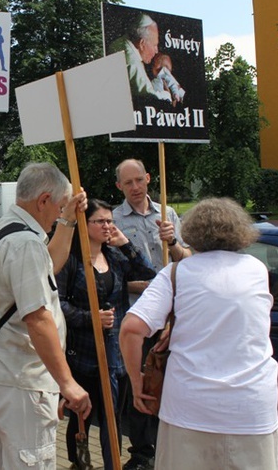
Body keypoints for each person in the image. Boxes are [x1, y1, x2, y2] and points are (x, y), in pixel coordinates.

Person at [119, 198, 278, 469]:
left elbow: (131, 329)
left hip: (188, 408)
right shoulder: (257, 269)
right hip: (252, 408)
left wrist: (137, 382)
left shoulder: (177, 273)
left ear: (191, 232)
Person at [0, 162, 91, 469]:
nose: (58, 213)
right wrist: (67, 383)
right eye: (59, 206)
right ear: (43, 200)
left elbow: (48, 265)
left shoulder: (5, 229)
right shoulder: (25, 244)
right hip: (21, 381)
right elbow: (37, 319)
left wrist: (67, 220)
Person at [56, 199, 156, 470]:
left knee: (112, 417)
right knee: (82, 418)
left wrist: (124, 242)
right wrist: (91, 319)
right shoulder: (71, 260)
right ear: (84, 225)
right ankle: (79, 462)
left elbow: (149, 273)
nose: (107, 226)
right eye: (100, 221)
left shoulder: (115, 257)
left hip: (117, 357)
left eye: (110, 221)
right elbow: (58, 304)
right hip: (85, 355)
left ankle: (112, 464)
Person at [113, 158, 191, 470]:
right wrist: (143, 285)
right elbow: (111, 275)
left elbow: (186, 261)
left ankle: (170, 447)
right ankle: (142, 452)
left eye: (139, 181)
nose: (135, 187)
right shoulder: (114, 219)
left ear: (148, 179)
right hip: (137, 316)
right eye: (127, 183)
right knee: (142, 383)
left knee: (172, 382)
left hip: (171, 317)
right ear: (119, 186)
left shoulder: (167, 213)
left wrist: (172, 240)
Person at [107, 13, 172, 103]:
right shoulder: (132, 62)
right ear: (142, 44)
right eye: (154, 45)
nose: (156, 51)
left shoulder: (121, 43)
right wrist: (166, 95)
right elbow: (149, 97)